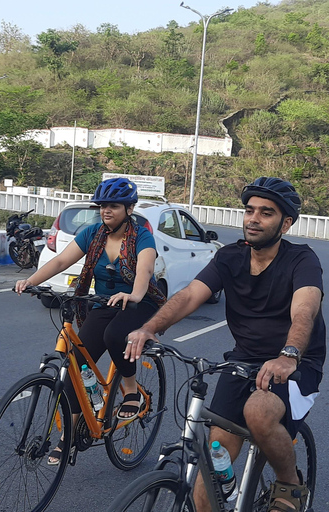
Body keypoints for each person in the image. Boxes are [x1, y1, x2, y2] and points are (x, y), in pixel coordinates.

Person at [126, 177, 325, 512]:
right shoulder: (229, 257)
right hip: (244, 360)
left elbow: (304, 309)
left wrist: (288, 356)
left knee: (258, 413)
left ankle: (289, 484)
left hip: (295, 362)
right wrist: (149, 328)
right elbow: (190, 295)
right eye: (250, 211)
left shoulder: (301, 260)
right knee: (214, 457)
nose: (254, 218)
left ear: (286, 222)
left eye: (266, 213)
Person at [15, 176, 166, 465]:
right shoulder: (94, 233)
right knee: (76, 363)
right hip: (104, 302)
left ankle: (132, 391)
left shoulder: (142, 236)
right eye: (102, 206)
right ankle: (68, 436)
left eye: (113, 206)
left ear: (129, 209)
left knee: (114, 336)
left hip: (140, 303)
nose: (106, 211)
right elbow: (61, 261)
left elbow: (145, 271)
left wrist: (132, 295)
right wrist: (30, 281)